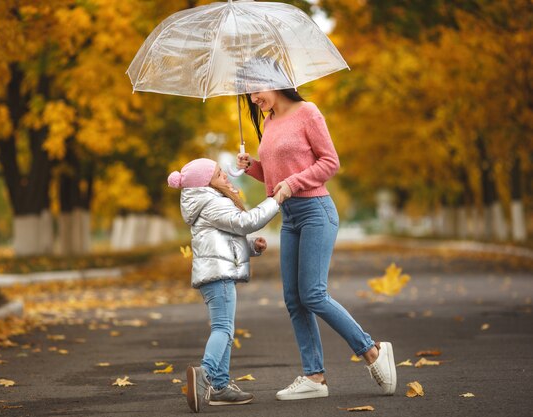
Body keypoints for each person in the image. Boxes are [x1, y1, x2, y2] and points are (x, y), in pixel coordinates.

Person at [236, 88, 397, 400]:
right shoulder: (268, 122)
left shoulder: (307, 112)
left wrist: (293, 183)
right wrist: (252, 166)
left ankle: (372, 351)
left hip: (315, 212)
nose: (254, 100)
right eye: (248, 96)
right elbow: (276, 178)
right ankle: (314, 376)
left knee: (313, 294)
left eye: (255, 92)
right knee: (294, 299)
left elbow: (329, 163)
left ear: (275, 82)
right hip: (290, 217)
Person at [167, 158, 279, 412]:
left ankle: (220, 386)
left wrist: (252, 247)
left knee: (225, 331)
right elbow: (245, 223)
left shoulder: (206, 201)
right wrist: (276, 200)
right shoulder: (211, 201)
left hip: (215, 273)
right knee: (223, 329)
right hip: (218, 276)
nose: (226, 177)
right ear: (207, 182)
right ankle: (205, 373)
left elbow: (224, 240)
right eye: (219, 174)